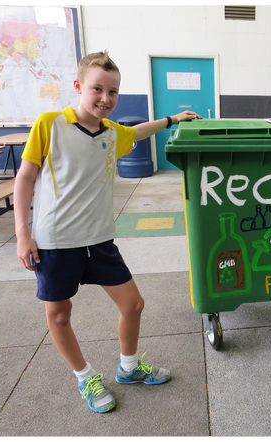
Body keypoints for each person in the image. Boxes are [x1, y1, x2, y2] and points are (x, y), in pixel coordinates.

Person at [14, 50, 202, 413]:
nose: (106, 99)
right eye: (97, 89)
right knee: (60, 315)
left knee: (133, 305)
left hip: (99, 240)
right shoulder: (50, 123)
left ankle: (129, 369)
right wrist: (23, 233)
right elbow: (25, 178)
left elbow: (136, 132)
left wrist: (172, 119)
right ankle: (85, 377)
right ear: (78, 86)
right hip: (55, 242)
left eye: (113, 92)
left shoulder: (112, 134)